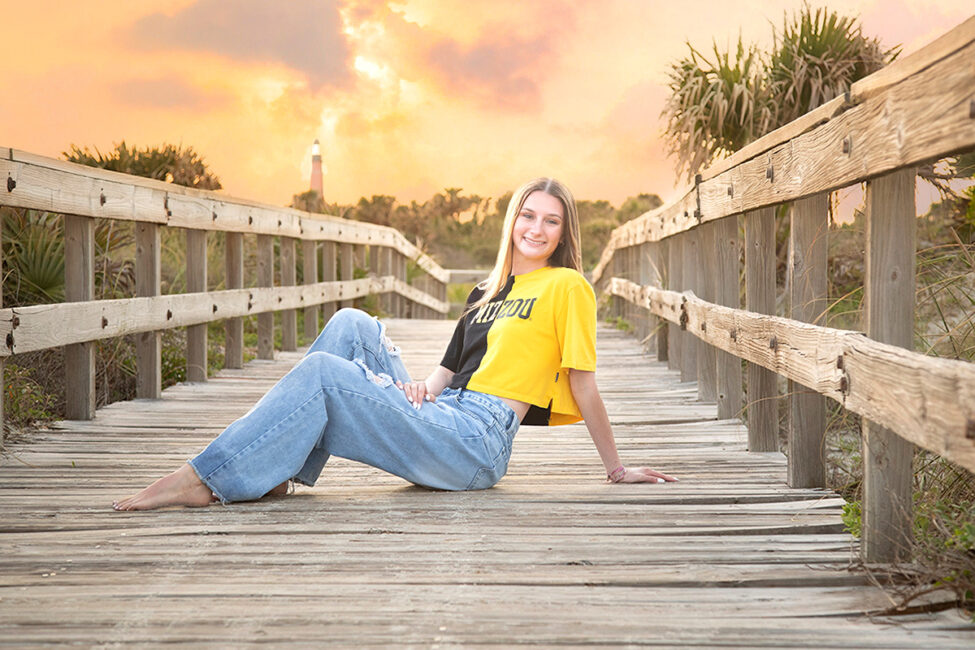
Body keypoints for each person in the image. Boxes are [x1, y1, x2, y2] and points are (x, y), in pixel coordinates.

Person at [113, 177, 676, 511]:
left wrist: (617, 469)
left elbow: (582, 380)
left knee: (324, 377)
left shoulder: (568, 286)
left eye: (551, 221)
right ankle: (279, 472)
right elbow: (445, 375)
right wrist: (414, 391)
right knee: (353, 324)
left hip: (477, 441)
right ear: (511, 221)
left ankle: (207, 481)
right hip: (448, 410)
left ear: (563, 232)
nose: (536, 228)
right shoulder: (487, 290)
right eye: (527, 215)